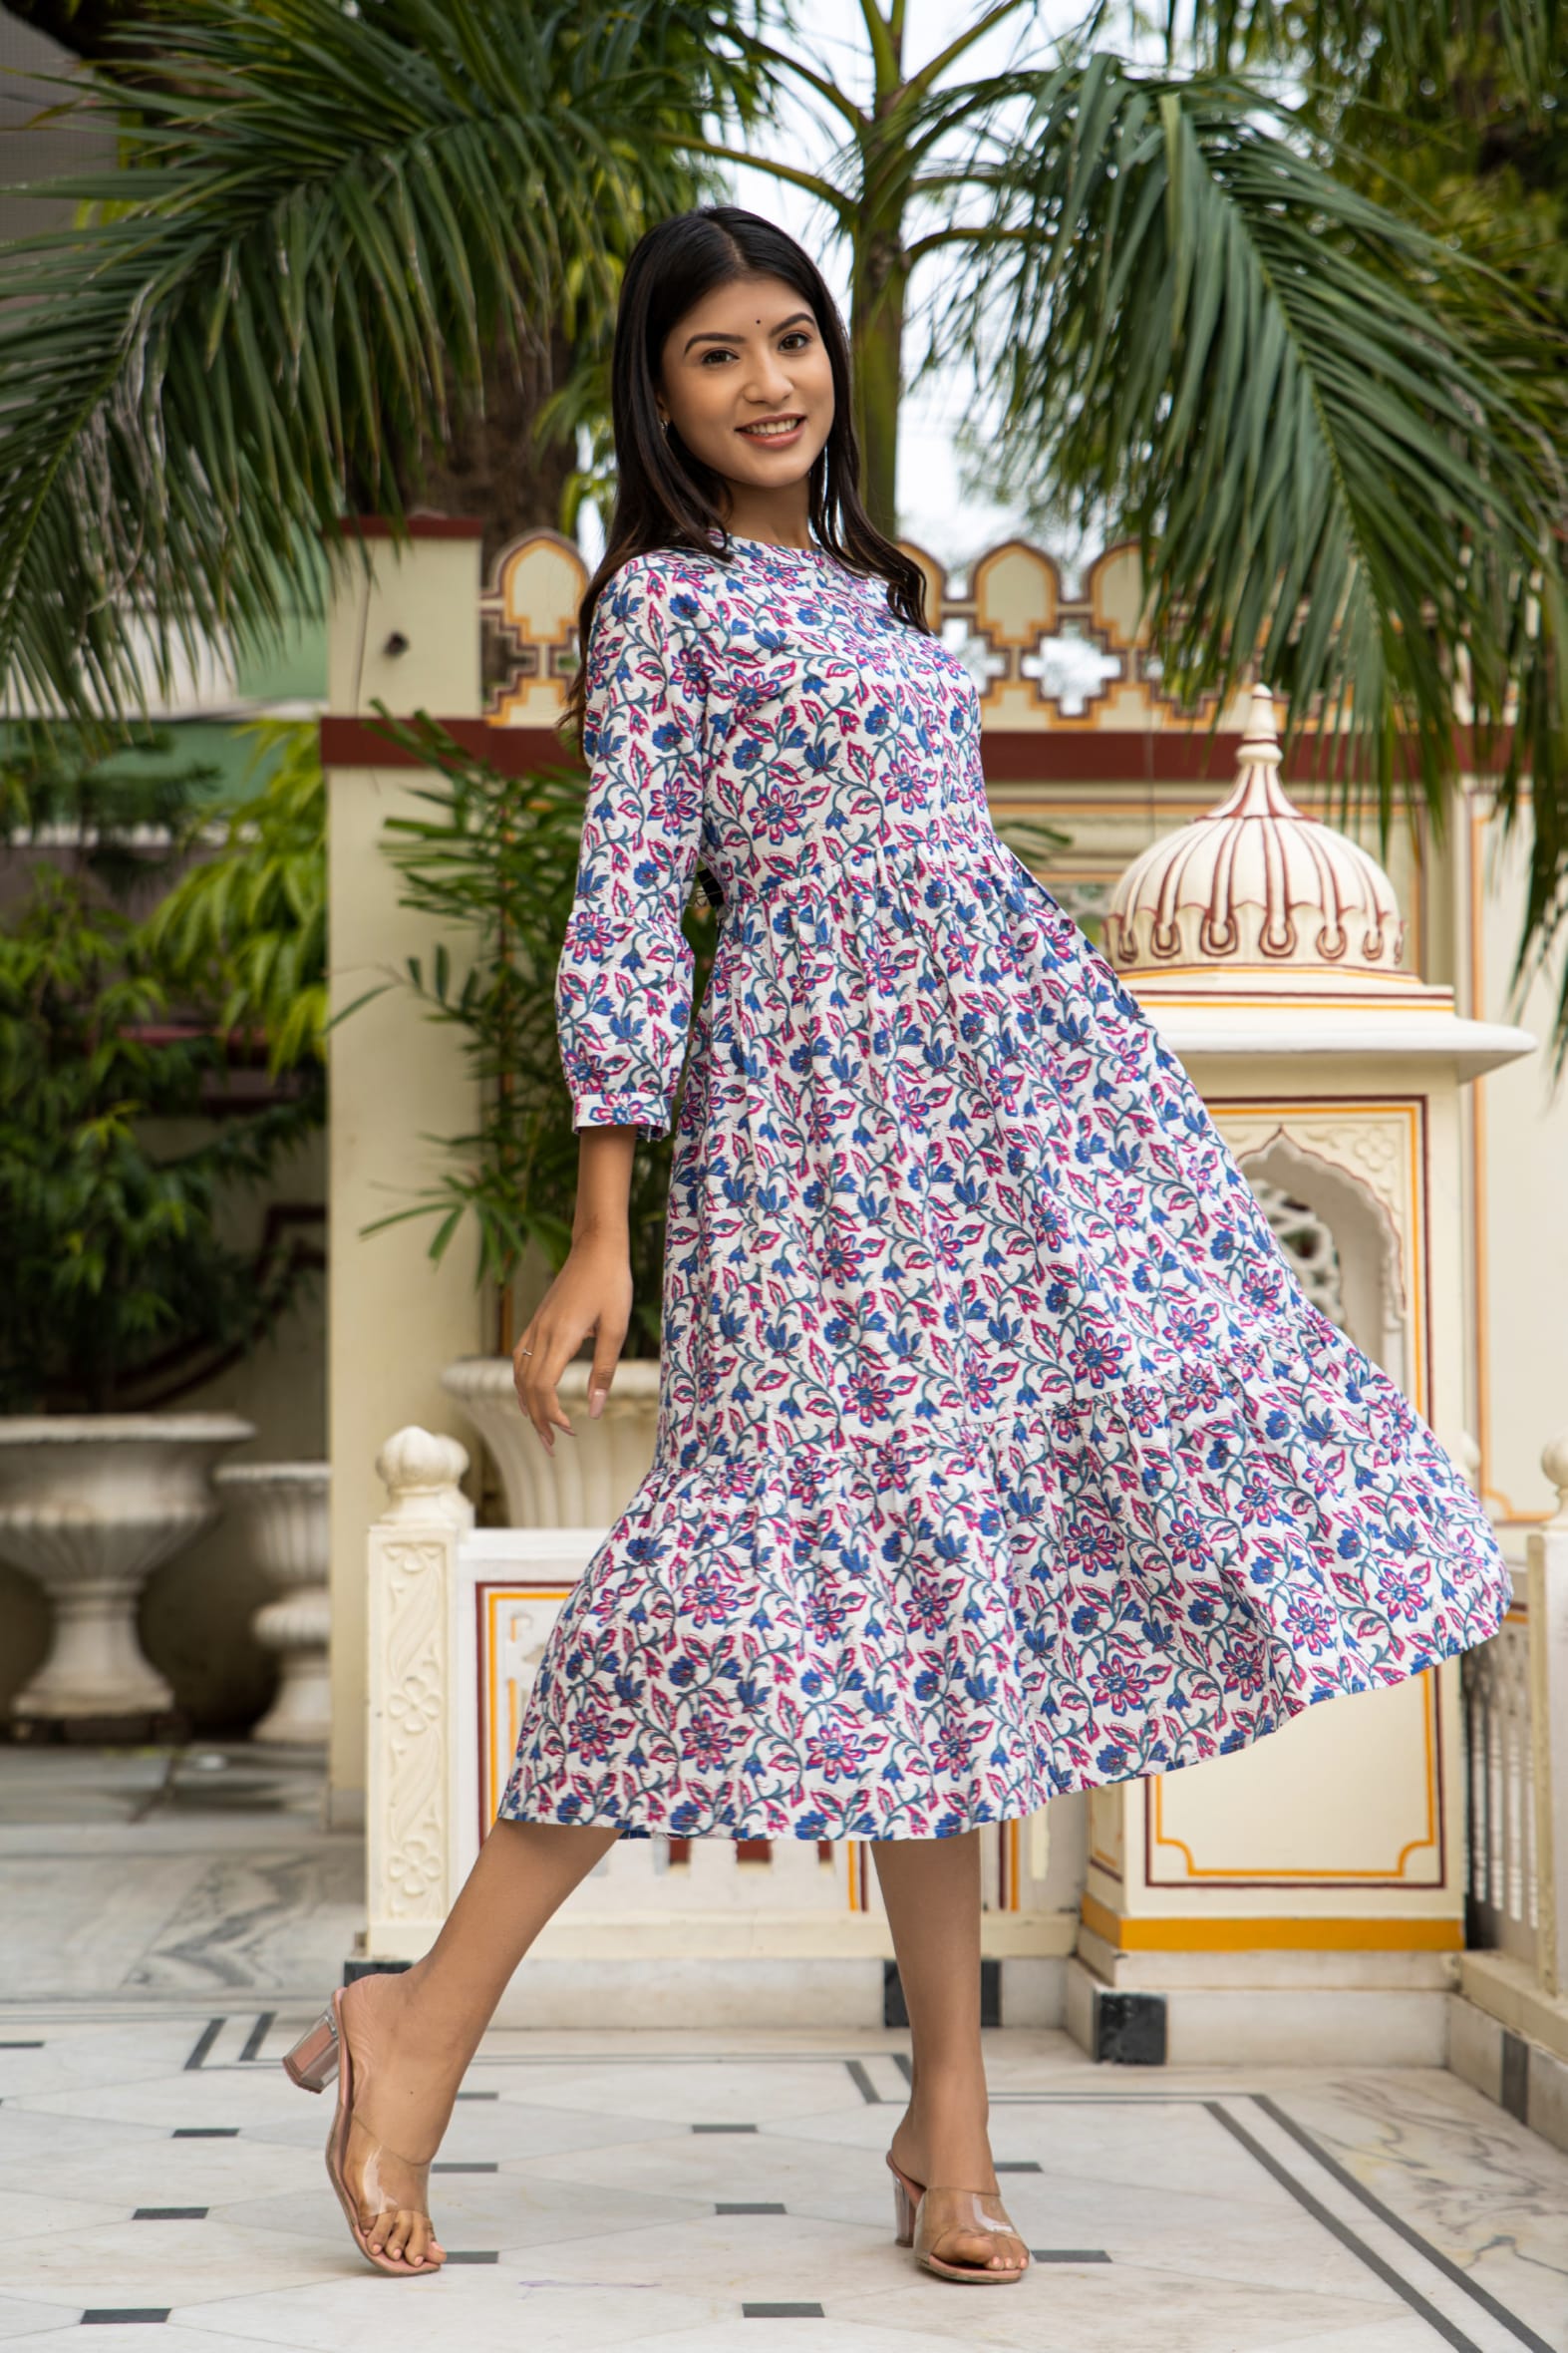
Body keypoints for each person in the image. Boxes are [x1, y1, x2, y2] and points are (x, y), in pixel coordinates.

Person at [284, 203, 1512, 2286]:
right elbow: (622, 901)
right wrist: (607, 1221)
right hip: (815, 1137)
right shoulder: (662, 609)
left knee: (957, 1595)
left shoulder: (883, 594)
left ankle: (949, 2119)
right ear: (656, 402)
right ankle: (413, 2029)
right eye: (716, 357)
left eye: (792, 340)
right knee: (720, 1572)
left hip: (1008, 1118)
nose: (770, 381)